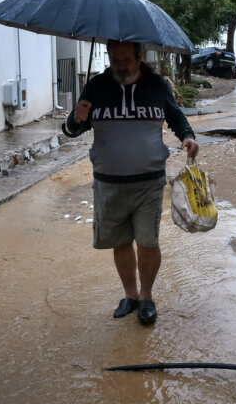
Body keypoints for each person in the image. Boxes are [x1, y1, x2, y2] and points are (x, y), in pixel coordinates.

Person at [66, 39, 199, 326]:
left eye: (126, 59)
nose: (120, 65)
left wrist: (187, 136)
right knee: (121, 242)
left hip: (148, 182)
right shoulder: (96, 86)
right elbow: (73, 129)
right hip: (108, 183)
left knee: (147, 242)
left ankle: (147, 296)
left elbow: (174, 115)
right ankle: (131, 296)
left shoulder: (157, 86)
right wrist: (75, 119)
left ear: (140, 56)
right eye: (115, 59)